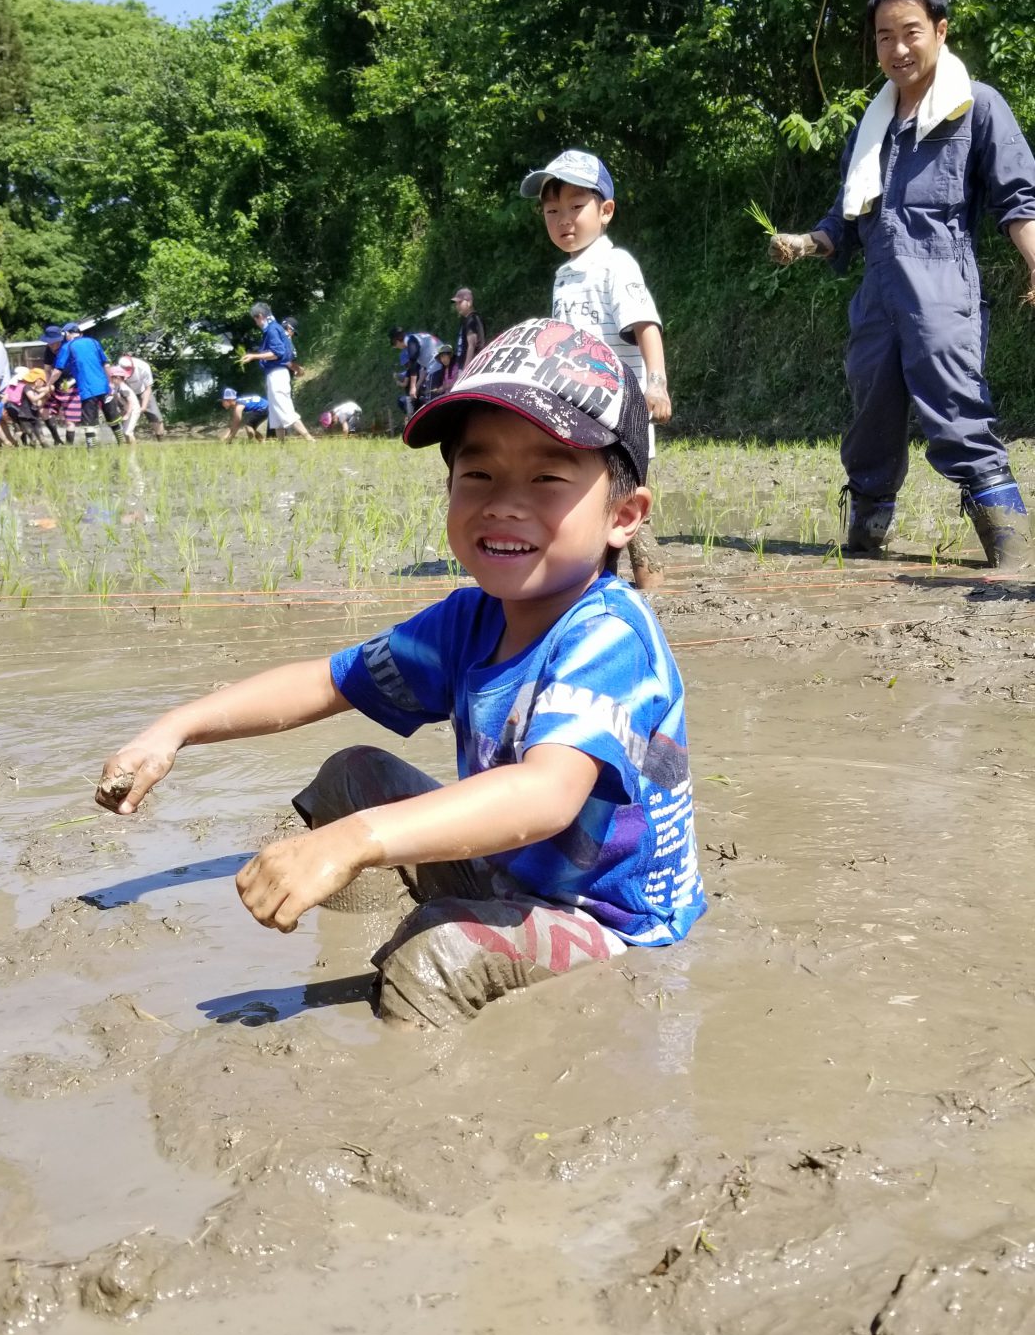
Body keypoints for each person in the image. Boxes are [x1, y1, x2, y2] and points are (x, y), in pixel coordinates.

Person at [95, 317, 706, 1029]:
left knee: (433, 955)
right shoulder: (469, 620)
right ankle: (353, 939)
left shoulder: (608, 634)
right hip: (507, 870)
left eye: (546, 478)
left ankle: (404, 1061)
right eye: (477, 474)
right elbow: (325, 683)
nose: (503, 502)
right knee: (351, 776)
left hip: (606, 920)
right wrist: (174, 730)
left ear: (624, 515)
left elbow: (545, 795)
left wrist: (352, 842)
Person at [770, 0, 1035, 571]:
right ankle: (866, 542)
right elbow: (843, 219)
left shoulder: (977, 106)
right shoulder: (872, 127)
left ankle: (1014, 553)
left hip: (943, 290)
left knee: (957, 411)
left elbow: (1019, 200)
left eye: (910, 32)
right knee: (870, 421)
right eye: (884, 36)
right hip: (877, 298)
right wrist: (805, 243)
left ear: (940, 31)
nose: (897, 49)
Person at [520, 148, 672, 590]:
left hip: (621, 411)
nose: (563, 220)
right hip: (579, 413)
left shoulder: (614, 263)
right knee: (591, 510)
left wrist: (657, 385)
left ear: (605, 211)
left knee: (628, 511)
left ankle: (653, 597)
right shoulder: (564, 275)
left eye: (575, 207)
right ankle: (600, 592)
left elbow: (646, 325)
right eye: (552, 211)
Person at [241, 303, 314, 440]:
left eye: (255, 319)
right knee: (276, 414)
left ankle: (310, 439)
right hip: (274, 374)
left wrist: (254, 356)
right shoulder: (273, 329)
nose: (255, 323)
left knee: (285, 410)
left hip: (277, 374)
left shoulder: (272, 329)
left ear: (260, 316)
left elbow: (277, 353)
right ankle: (281, 444)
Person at [44, 324, 124, 446]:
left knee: (89, 424)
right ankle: (122, 444)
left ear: (67, 334)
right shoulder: (94, 342)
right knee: (113, 418)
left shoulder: (67, 346)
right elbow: (106, 365)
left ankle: (91, 450)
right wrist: (110, 384)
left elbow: (57, 371)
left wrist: (48, 384)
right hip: (104, 387)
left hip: (87, 390)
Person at [117, 354, 166, 439]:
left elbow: (148, 389)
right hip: (127, 392)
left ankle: (160, 438)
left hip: (143, 391)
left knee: (155, 415)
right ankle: (127, 439)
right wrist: (126, 404)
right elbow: (118, 389)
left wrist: (143, 407)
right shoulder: (117, 369)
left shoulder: (143, 367)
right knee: (125, 416)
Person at [449, 288, 485, 385]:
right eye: (456, 303)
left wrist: (466, 371)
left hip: (472, 368)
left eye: (460, 302)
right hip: (466, 367)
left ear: (469, 302)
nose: (457, 306)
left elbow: (471, 345)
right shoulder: (467, 320)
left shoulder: (472, 319)